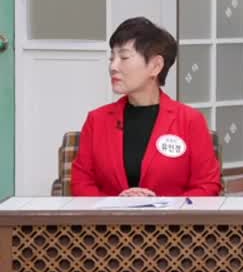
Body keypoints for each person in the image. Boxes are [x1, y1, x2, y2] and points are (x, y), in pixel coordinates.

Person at [71, 17, 222, 196]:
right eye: (112, 58)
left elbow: (207, 185)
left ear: (156, 66)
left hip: (173, 215)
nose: (113, 66)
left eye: (124, 57)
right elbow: (81, 183)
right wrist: (114, 204)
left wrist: (162, 206)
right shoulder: (96, 120)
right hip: (110, 215)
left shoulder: (190, 120)